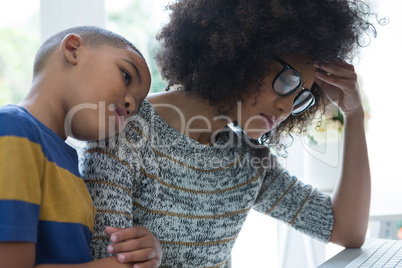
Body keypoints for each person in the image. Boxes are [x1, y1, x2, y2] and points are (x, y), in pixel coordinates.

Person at [80, 0, 378, 266]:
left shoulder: (248, 157)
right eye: (288, 81)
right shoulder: (124, 129)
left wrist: (353, 115)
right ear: (242, 51)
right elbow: (107, 260)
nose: (287, 107)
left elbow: (345, 230)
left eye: (302, 96)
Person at [0, 26, 162, 268]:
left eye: (135, 109)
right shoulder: (13, 128)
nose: (129, 105)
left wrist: (144, 252)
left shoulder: (69, 162)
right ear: (73, 49)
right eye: (126, 76)